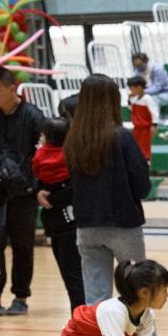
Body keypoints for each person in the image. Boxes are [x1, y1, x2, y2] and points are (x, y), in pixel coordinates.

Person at [65, 75, 150, 305]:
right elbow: (142, 185)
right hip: (123, 223)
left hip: (86, 226)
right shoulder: (121, 136)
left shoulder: (73, 139)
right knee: (136, 287)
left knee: (95, 295)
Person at [0, 65, 45, 317]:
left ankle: (21, 297)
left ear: (11, 88)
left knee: (23, 245)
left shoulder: (32, 116)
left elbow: (41, 154)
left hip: (25, 192)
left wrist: (33, 184)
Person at [32, 117, 86, 310]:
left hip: (69, 226)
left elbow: (75, 190)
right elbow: (38, 183)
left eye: (43, 134)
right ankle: (79, 324)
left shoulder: (73, 159)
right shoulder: (42, 159)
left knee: (73, 278)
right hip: (57, 226)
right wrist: (39, 193)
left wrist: (50, 199)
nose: (40, 137)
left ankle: (81, 325)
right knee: (71, 277)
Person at [126, 75, 156, 164]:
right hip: (137, 128)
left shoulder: (147, 98)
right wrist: (129, 99)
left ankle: (146, 164)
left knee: (145, 149)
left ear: (139, 88)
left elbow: (154, 112)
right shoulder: (135, 99)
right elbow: (131, 109)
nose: (131, 91)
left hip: (145, 128)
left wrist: (154, 125)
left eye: (132, 88)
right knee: (137, 147)